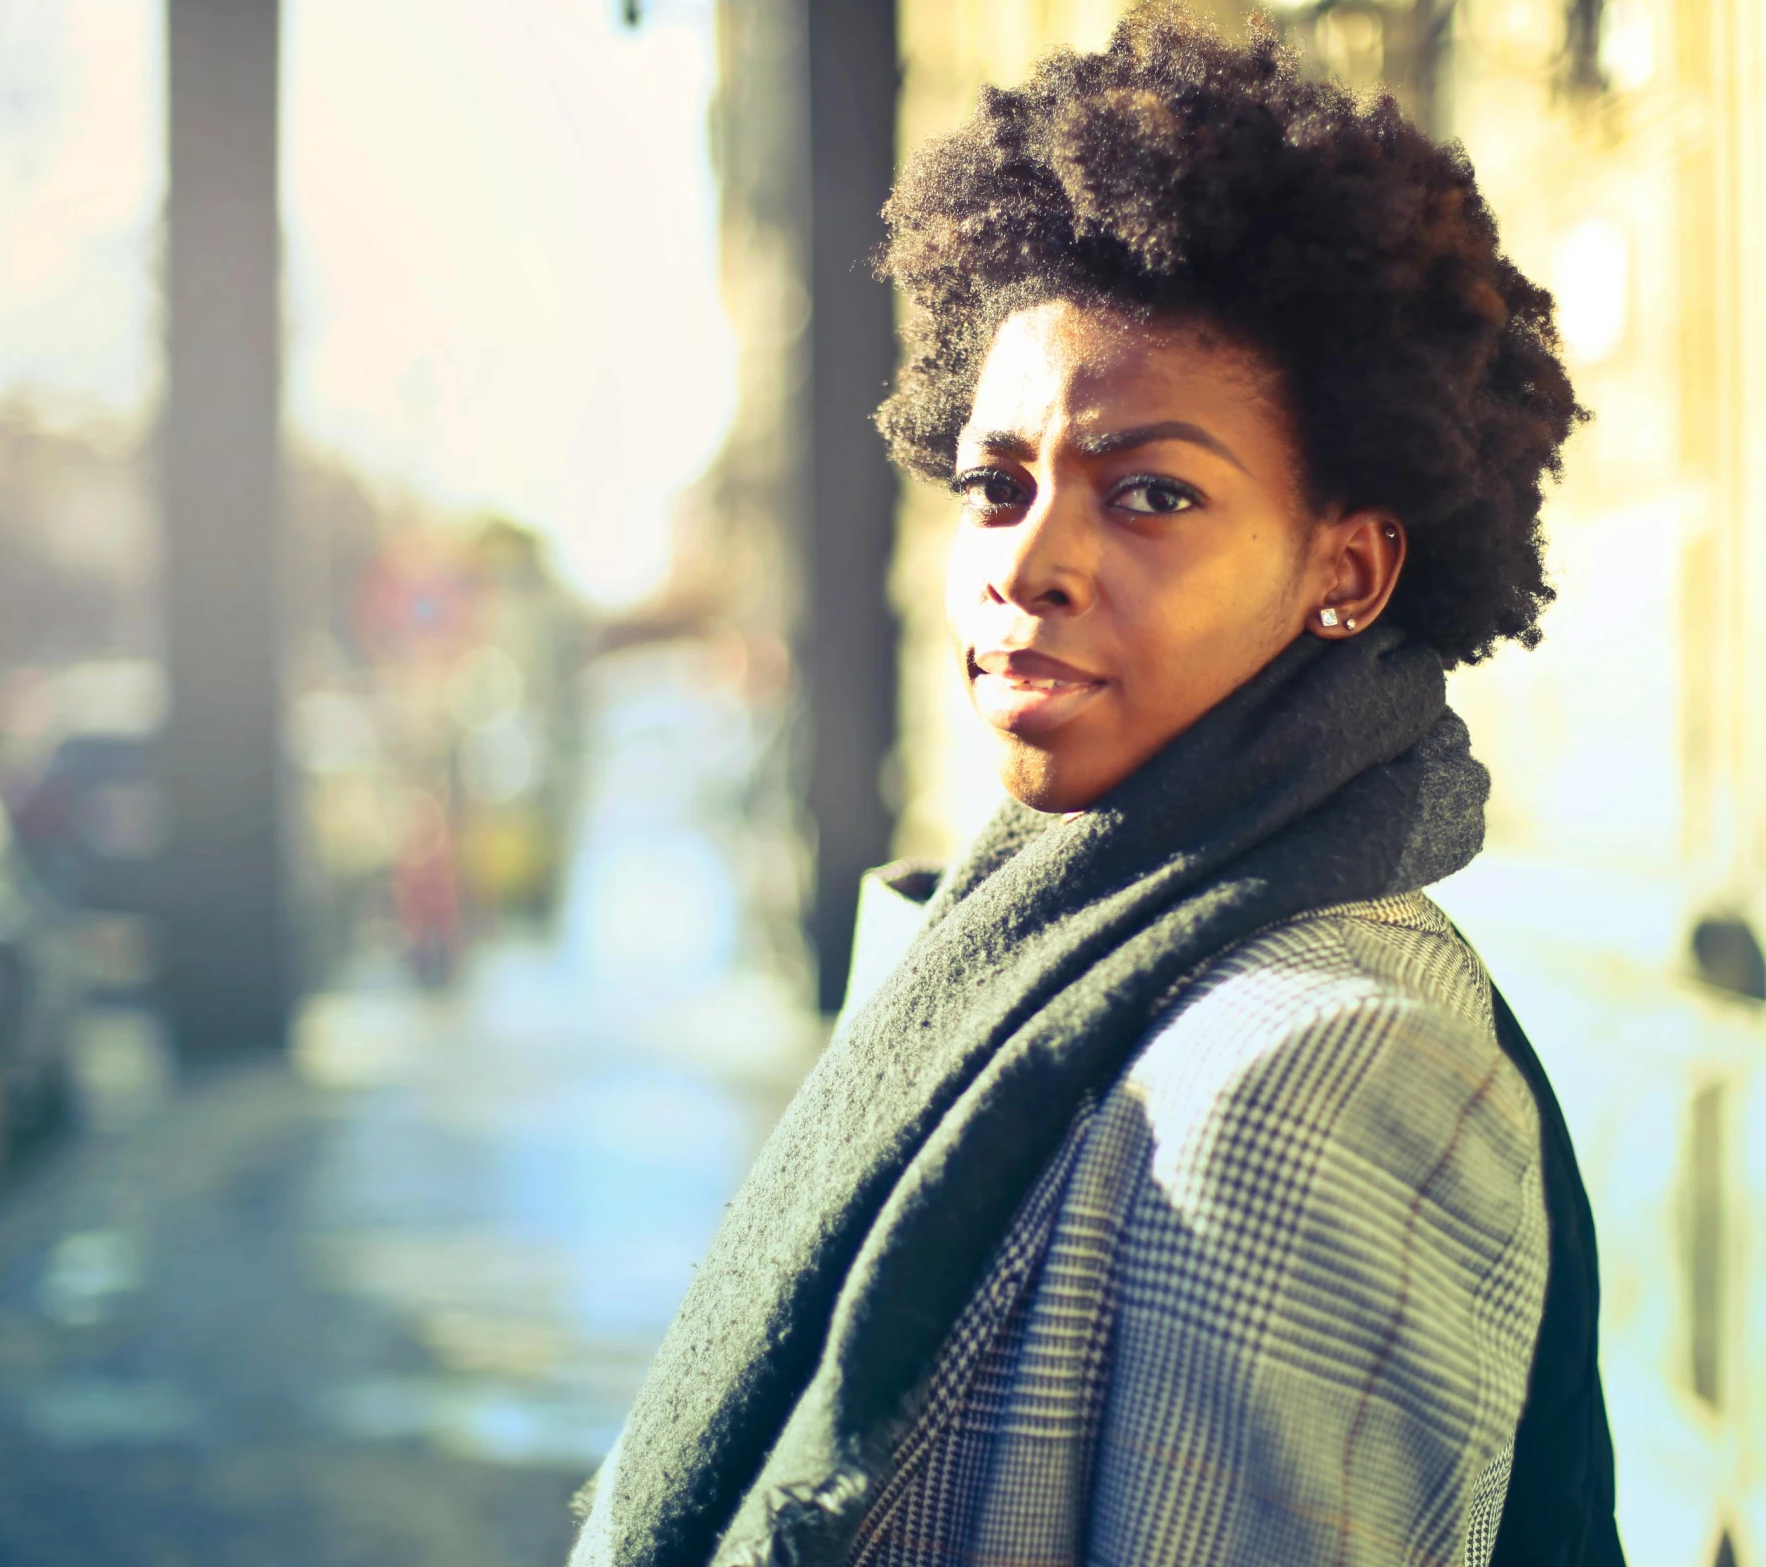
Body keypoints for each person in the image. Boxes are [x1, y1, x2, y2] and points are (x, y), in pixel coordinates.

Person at [570, 8, 1621, 1565]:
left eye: (1150, 495)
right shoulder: (1028, 938)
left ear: (1346, 567)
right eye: (997, 485)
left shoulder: (1309, 1073)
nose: (1029, 563)